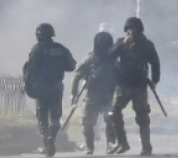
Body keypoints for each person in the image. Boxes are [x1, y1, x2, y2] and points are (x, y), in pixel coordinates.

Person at [107, 17, 160, 156]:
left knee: (142, 117)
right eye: (128, 29)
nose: (131, 31)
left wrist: (155, 80)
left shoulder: (147, 45)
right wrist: (122, 45)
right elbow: (110, 55)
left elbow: (155, 62)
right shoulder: (121, 42)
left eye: (134, 29)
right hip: (123, 84)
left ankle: (146, 148)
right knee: (113, 113)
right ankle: (122, 143)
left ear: (139, 29)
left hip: (139, 85)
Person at [23, 23, 77, 157]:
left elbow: (31, 69)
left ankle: (47, 144)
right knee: (55, 116)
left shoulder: (36, 49)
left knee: (42, 117)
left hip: (40, 88)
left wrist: (27, 84)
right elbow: (71, 66)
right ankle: (52, 136)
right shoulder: (60, 49)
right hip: (56, 87)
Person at [72, 31, 117, 155]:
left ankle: (94, 147)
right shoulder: (112, 60)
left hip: (97, 96)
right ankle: (102, 146)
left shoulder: (90, 58)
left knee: (90, 123)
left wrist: (73, 93)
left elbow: (76, 75)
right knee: (108, 121)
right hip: (101, 96)